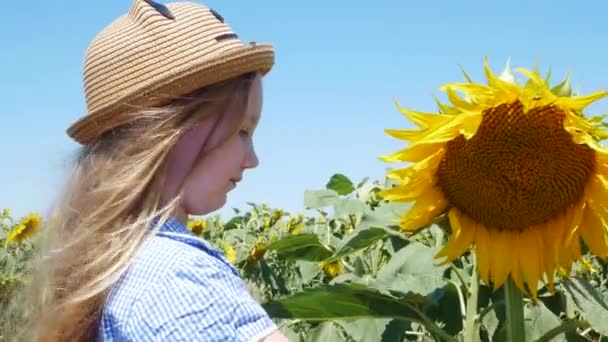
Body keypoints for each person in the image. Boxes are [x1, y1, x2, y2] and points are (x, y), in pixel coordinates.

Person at [16, 0, 290, 341]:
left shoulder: (107, 267)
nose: (252, 159)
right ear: (170, 131)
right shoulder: (181, 281)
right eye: (242, 131)